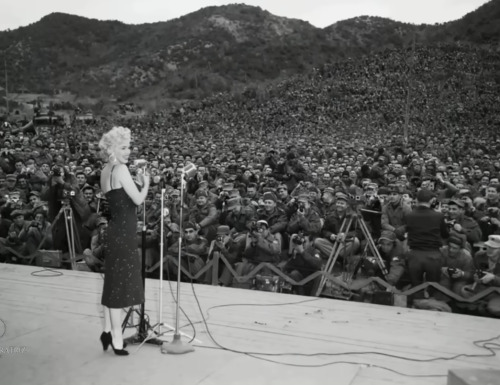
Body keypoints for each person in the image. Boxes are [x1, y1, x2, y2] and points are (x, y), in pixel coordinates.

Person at [98, 126, 150, 356]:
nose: (128, 151)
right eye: (123, 147)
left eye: (129, 146)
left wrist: (136, 181)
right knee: (119, 287)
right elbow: (137, 200)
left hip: (114, 230)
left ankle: (107, 331)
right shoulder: (121, 169)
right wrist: (146, 183)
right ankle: (117, 341)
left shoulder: (104, 171)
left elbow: (118, 201)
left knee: (112, 283)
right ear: (112, 148)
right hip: (124, 234)